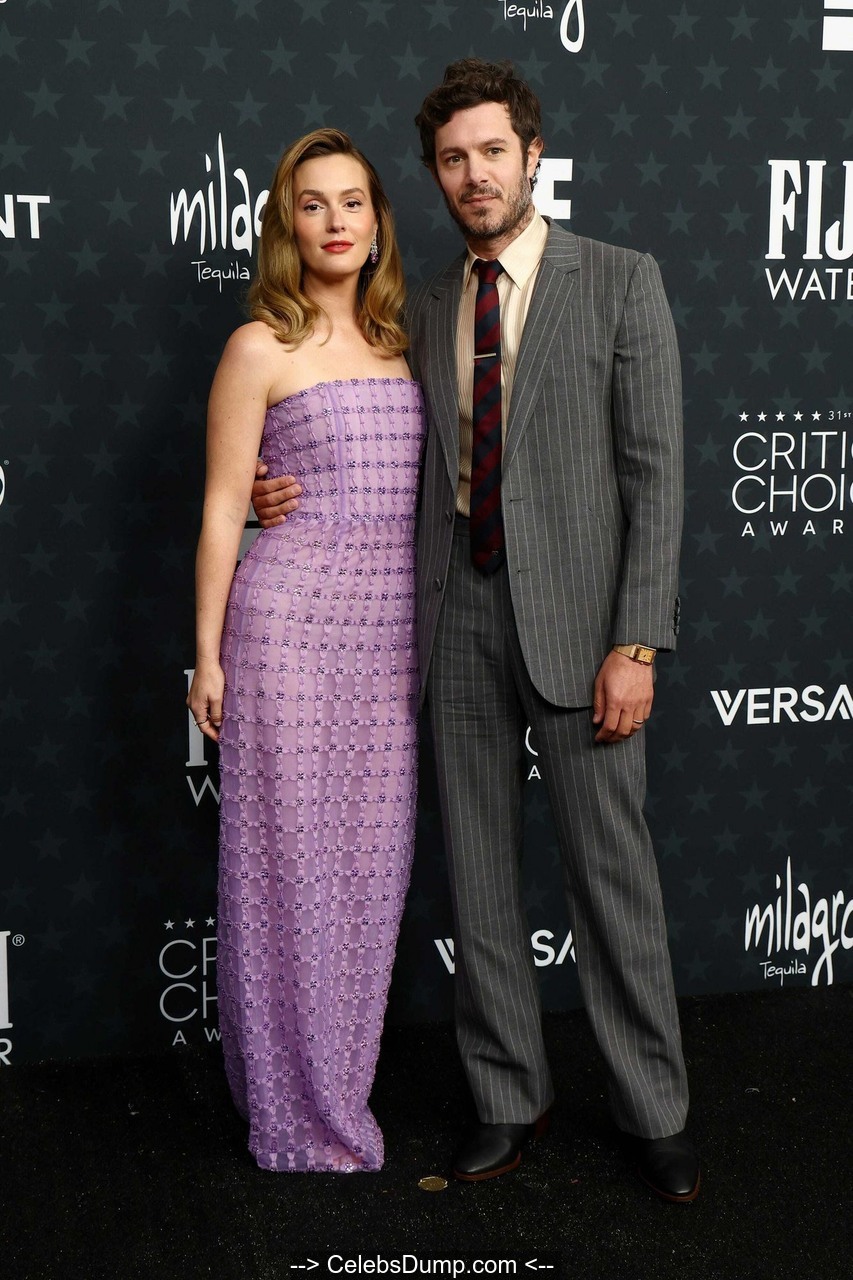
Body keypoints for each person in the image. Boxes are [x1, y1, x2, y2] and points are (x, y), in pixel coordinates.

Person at [253, 60, 699, 1203]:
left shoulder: (620, 280)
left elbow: (655, 476)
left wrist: (636, 641)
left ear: (531, 155)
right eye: (452, 159)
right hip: (450, 615)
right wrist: (272, 480)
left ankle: (654, 1108)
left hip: (583, 630)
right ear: (435, 175)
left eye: (492, 151)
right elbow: (354, 427)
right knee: (480, 882)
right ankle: (508, 1094)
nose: (474, 174)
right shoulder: (421, 305)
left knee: (611, 878)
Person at [187, 128, 425, 1173]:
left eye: (352, 202)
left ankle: (337, 1088)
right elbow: (221, 508)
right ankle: (293, 1114)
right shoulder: (258, 345)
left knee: (370, 872)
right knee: (284, 872)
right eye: (313, 203)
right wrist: (206, 656)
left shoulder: (409, 341)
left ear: (377, 223)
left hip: (391, 641)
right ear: (288, 223)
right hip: (286, 631)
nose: (335, 221)